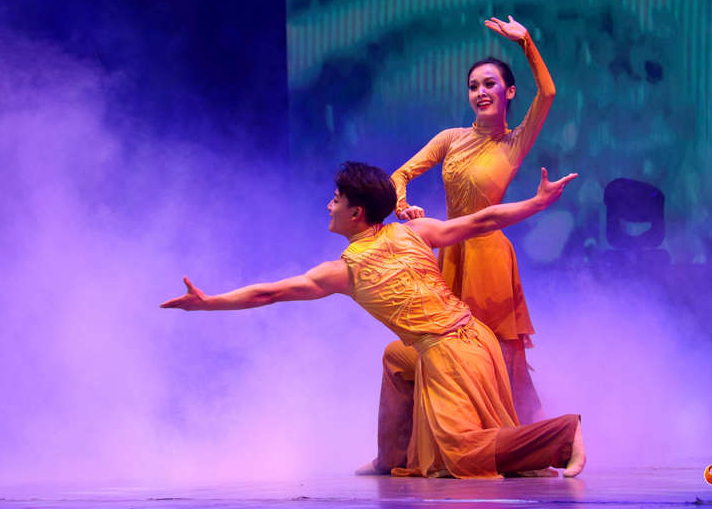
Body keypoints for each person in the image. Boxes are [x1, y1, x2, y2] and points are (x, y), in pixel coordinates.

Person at [161, 162, 584, 479]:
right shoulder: (413, 232)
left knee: (461, 455)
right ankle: (391, 457)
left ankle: (563, 434)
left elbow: (268, 293)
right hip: (475, 339)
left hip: (452, 353)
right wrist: (536, 203)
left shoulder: (346, 270)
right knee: (397, 357)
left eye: (336, 200)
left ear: (356, 213)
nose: (329, 205)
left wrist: (208, 304)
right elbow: (482, 221)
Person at [372, 16, 555, 473]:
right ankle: (401, 452)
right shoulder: (451, 139)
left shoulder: (514, 142)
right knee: (435, 354)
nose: (480, 92)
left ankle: (531, 446)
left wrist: (526, 43)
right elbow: (400, 175)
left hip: (489, 258)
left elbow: (548, 94)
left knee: (502, 359)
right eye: (474, 86)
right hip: (449, 253)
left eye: (490, 84)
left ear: (509, 92)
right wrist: (402, 205)